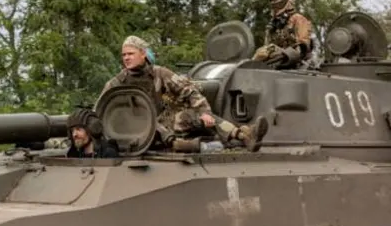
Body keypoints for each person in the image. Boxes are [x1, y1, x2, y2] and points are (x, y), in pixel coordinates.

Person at [95, 36, 269, 152]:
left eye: (130, 54)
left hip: (161, 124)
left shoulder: (159, 73)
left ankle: (244, 135)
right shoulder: (117, 82)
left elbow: (189, 90)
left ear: (142, 54)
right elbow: (100, 108)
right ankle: (219, 140)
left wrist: (205, 112)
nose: (126, 58)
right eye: (124, 55)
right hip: (133, 132)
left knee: (192, 116)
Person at [253, 0, 313, 68]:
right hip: (277, 63)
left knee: (271, 48)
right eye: (273, 4)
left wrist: (282, 52)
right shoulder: (272, 25)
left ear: (286, 1)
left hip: (298, 63)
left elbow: (303, 47)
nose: (275, 7)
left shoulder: (298, 19)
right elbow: (266, 47)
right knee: (262, 51)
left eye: (277, 3)